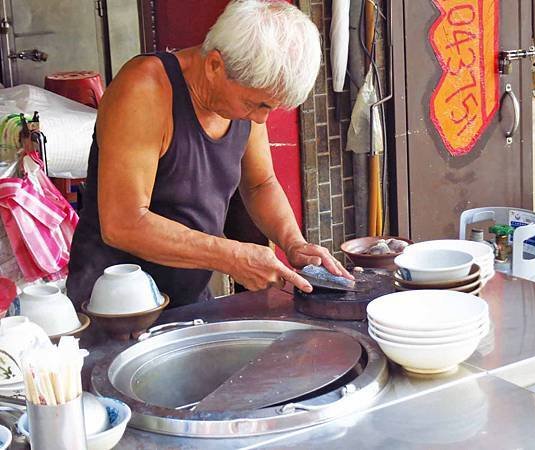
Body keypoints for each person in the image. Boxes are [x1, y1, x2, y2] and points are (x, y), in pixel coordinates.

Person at [66, 0, 353, 308]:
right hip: (114, 307)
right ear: (215, 65)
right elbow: (123, 223)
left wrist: (294, 242)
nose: (261, 119)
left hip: (189, 300)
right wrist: (230, 256)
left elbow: (260, 183)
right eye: (259, 105)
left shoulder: (244, 103)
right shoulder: (145, 89)